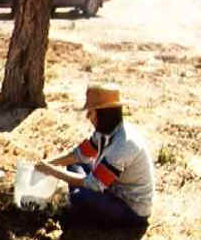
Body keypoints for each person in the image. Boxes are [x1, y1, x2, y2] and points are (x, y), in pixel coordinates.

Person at [35, 84, 155, 227]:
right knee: (74, 164)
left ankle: (80, 212)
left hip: (131, 209)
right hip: (112, 190)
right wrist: (47, 163)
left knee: (80, 197)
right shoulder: (106, 130)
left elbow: (94, 184)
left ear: (104, 113)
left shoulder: (124, 144)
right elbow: (79, 155)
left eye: (91, 112)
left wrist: (52, 171)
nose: (87, 117)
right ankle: (81, 204)